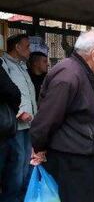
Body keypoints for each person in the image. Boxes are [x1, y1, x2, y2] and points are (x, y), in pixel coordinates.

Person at [29, 30, 94, 202]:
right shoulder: (68, 74)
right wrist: (39, 147)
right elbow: (47, 118)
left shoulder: (81, 71)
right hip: (72, 159)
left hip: (84, 156)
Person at [0, 34, 37, 202]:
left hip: (28, 125)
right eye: (27, 46)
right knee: (16, 169)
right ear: (17, 47)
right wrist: (19, 112)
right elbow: (6, 93)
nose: (30, 50)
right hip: (15, 126)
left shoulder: (23, 67)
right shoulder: (4, 64)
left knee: (25, 166)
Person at [27, 36, 49, 102]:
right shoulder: (26, 77)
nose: (47, 64)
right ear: (35, 63)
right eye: (44, 61)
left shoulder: (48, 78)